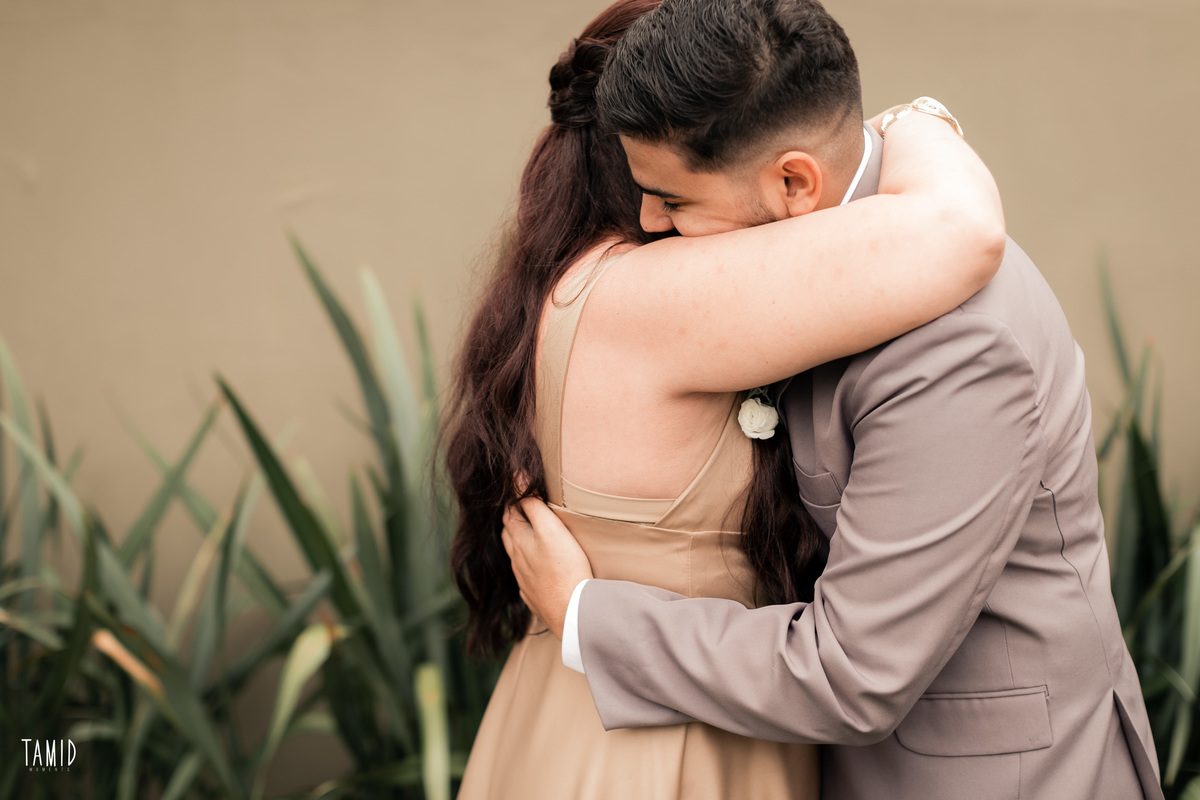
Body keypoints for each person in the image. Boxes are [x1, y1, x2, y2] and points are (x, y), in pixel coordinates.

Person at [500, 1, 1164, 799]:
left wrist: (585, 614)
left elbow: (852, 675)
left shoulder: (958, 353)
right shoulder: (841, 250)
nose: (648, 220)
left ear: (793, 182)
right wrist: (921, 119)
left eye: (673, 200)